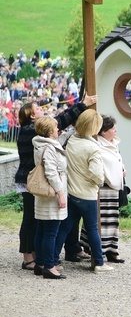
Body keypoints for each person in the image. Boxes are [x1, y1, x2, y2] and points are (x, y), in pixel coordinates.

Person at [14, 94, 96, 271]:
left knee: (37, 221)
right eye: (38, 109)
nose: (42, 110)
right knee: (30, 220)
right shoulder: (29, 129)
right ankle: (28, 257)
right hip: (34, 182)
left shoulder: (31, 129)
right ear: (31, 116)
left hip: (37, 181)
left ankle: (39, 255)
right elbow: (60, 119)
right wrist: (82, 105)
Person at [54, 109, 112, 273]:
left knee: (65, 227)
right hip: (87, 194)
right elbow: (96, 174)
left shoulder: (72, 139)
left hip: (72, 192)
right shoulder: (93, 147)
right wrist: (99, 182)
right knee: (93, 228)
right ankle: (99, 262)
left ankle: (53, 258)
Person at [80, 115, 126, 263]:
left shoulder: (113, 143)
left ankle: (112, 249)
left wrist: (122, 170)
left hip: (113, 188)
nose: (116, 131)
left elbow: (117, 161)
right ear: (104, 132)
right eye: (112, 128)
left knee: (112, 220)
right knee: (101, 220)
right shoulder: (97, 145)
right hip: (103, 187)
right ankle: (97, 249)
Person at [32, 116, 68, 279]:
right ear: (49, 131)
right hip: (52, 193)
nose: (57, 129)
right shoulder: (50, 148)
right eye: (55, 127)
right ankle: (49, 265)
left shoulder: (41, 145)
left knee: (41, 229)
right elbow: (51, 173)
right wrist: (60, 194)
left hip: (43, 195)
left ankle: (39, 263)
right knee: (51, 232)